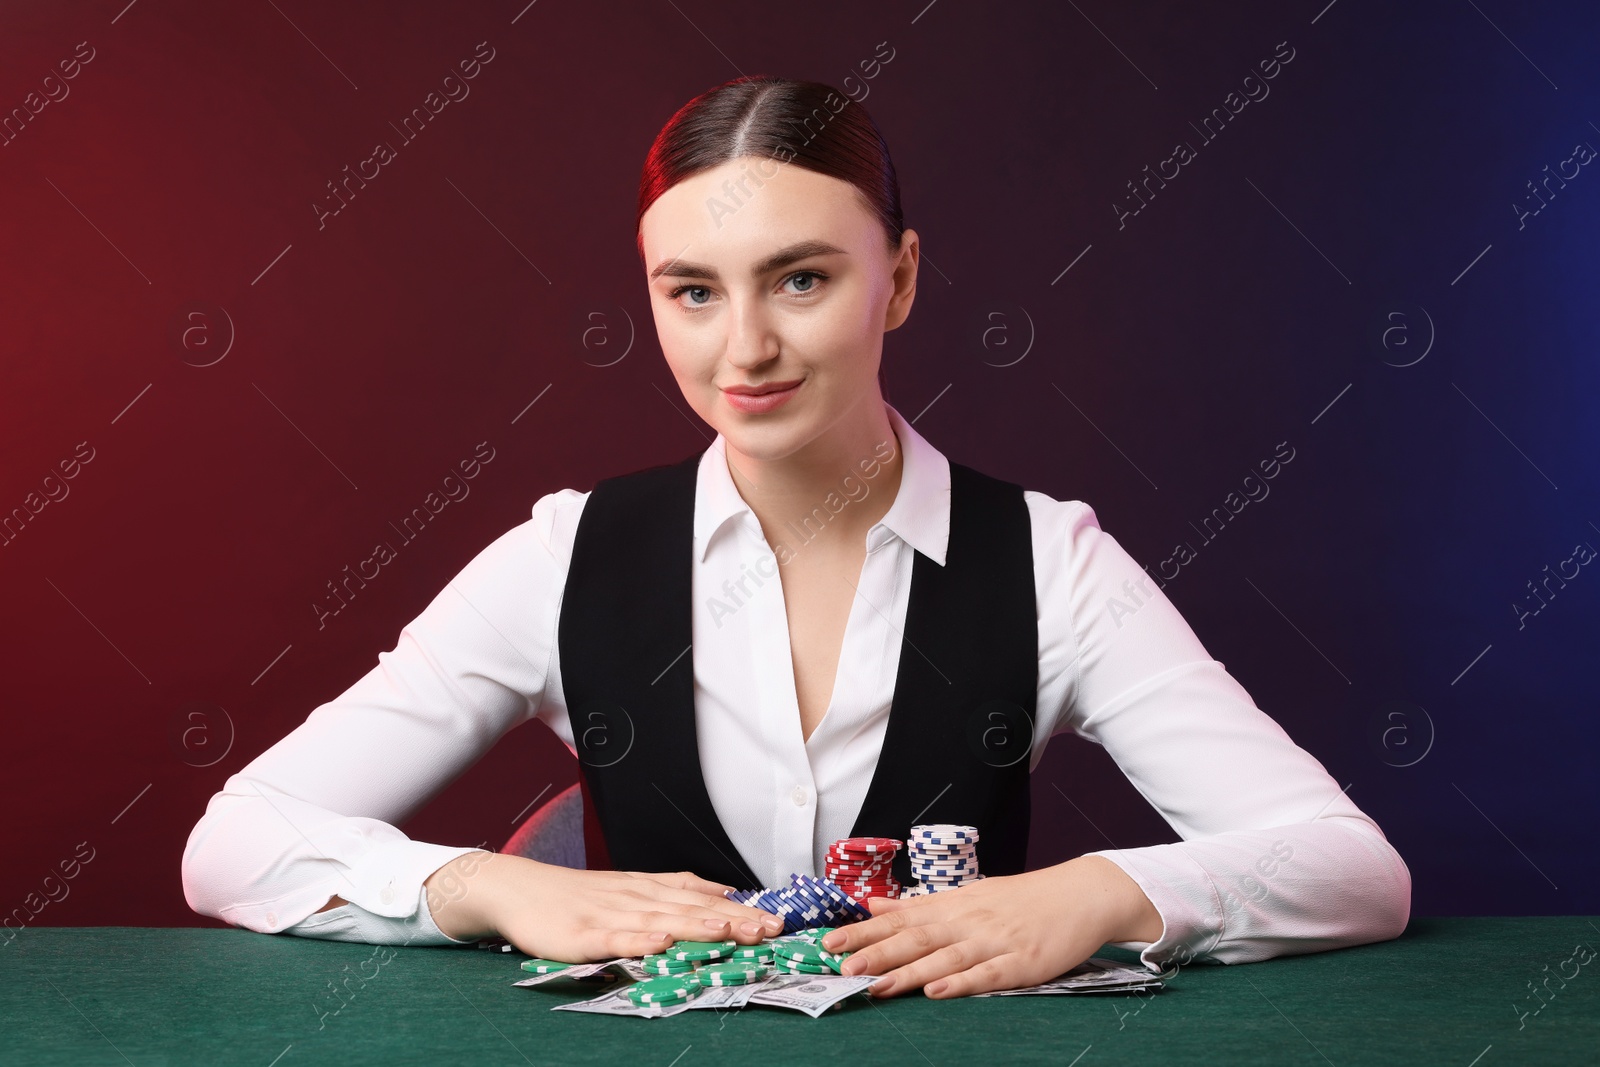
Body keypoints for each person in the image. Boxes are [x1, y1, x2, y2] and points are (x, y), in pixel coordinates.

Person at [181, 75, 1410, 1000]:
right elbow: (233, 842)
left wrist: (1102, 891)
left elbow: (1352, 867)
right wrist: (489, 884)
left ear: (903, 279)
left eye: (802, 280)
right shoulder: (564, 557)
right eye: (694, 291)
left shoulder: (1051, 561)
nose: (745, 350)